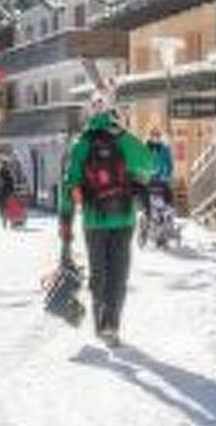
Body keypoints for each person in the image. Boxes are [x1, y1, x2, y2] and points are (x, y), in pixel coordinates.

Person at [58, 99, 156, 346]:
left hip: (94, 220)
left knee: (99, 273)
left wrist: (66, 233)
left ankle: (100, 324)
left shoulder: (81, 144)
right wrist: (124, 134)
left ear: (88, 119)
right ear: (113, 118)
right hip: (124, 217)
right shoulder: (123, 139)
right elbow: (150, 164)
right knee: (118, 274)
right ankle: (112, 325)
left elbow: (69, 187)